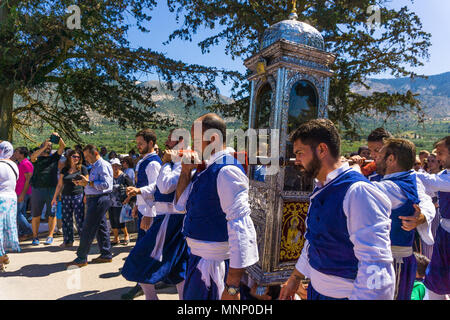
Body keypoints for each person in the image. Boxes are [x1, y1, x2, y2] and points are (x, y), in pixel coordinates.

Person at [279, 119, 394, 300]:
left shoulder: (358, 191)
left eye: (300, 153)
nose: (297, 160)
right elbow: (314, 239)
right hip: (316, 292)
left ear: (322, 150)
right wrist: (296, 276)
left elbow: (376, 265)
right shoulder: (323, 186)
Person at [174, 113, 259, 300]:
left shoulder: (226, 170)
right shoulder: (206, 169)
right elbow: (180, 206)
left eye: (196, 140)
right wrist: (185, 172)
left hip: (215, 266)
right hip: (199, 260)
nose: (191, 146)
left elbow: (241, 229)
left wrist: (232, 287)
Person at [364, 138, 435, 300]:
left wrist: (422, 217)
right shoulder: (389, 177)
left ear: (391, 158)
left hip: (394, 259)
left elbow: (425, 201)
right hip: (383, 259)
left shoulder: (400, 182)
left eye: (377, 152)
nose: (373, 156)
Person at [122, 129, 189, 300]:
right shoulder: (173, 162)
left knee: (139, 259)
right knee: (177, 266)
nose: (166, 144)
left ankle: (151, 298)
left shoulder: (180, 163)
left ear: (181, 142)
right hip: (166, 217)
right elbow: (156, 186)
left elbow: (165, 186)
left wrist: (166, 163)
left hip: (169, 218)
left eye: (170, 140)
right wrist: (139, 191)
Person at [120, 129, 161, 300]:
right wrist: (138, 204)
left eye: (141, 143)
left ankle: (144, 287)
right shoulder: (143, 161)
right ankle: (146, 286)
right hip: (144, 210)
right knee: (146, 252)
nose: (138, 146)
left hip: (150, 214)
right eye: (137, 143)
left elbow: (156, 188)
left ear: (151, 143)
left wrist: (149, 213)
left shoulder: (153, 163)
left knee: (145, 253)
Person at [66, 144, 114, 267]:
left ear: (95, 154)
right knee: (100, 227)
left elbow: (106, 184)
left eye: (87, 156)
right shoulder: (95, 166)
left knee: (88, 228)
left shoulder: (102, 165)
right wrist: (84, 183)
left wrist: (89, 183)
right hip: (96, 198)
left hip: (99, 199)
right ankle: (106, 254)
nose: (86, 158)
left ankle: (82, 257)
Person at [415, 136, 450, 300]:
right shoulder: (444, 174)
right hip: (444, 235)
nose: (438, 157)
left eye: (441, 153)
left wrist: (409, 174)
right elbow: (428, 191)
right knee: (435, 282)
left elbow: (432, 182)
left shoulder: (442, 179)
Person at [29, 133, 66, 246]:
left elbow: (62, 147)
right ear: (41, 146)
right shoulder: (37, 158)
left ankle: (50, 235)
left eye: (50, 146)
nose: (49, 147)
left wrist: (58, 137)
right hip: (37, 189)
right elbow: (32, 157)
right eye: (46, 146)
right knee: (36, 214)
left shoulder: (54, 157)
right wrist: (44, 146)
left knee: (52, 213)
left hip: (51, 189)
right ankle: (35, 237)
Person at [51, 150, 88, 248]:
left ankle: (83, 241)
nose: (76, 158)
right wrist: (54, 197)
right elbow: (59, 185)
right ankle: (68, 241)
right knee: (66, 219)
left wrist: (85, 196)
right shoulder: (65, 169)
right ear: (69, 157)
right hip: (65, 196)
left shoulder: (82, 168)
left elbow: (87, 184)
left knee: (80, 219)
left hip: (78, 195)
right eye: (74, 156)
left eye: (78, 157)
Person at [0, 141, 20, 272]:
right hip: (11, 200)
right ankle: (3, 255)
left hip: (1, 199)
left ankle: (1, 259)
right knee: (6, 229)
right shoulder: (14, 165)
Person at [109, 158, 133, 245]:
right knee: (113, 221)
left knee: (120, 221)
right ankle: (116, 238)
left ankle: (126, 235)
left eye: (117, 166)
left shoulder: (124, 176)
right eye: (113, 166)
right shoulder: (109, 177)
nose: (115, 167)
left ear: (120, 166)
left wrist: (127, 199)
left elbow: (132, 188)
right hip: (110, 203)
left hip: (121, 202)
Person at [13, 147, 33, 241]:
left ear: (22, 154)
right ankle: (23, 234)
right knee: (21, 213)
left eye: (16, 152)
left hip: (23, 192)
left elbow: (28, 180)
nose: (14, 153)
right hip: (19, 191)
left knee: (17, 213)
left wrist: (22, 194)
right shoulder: (21, 163)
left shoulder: (26, 163)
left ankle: (28, 231)